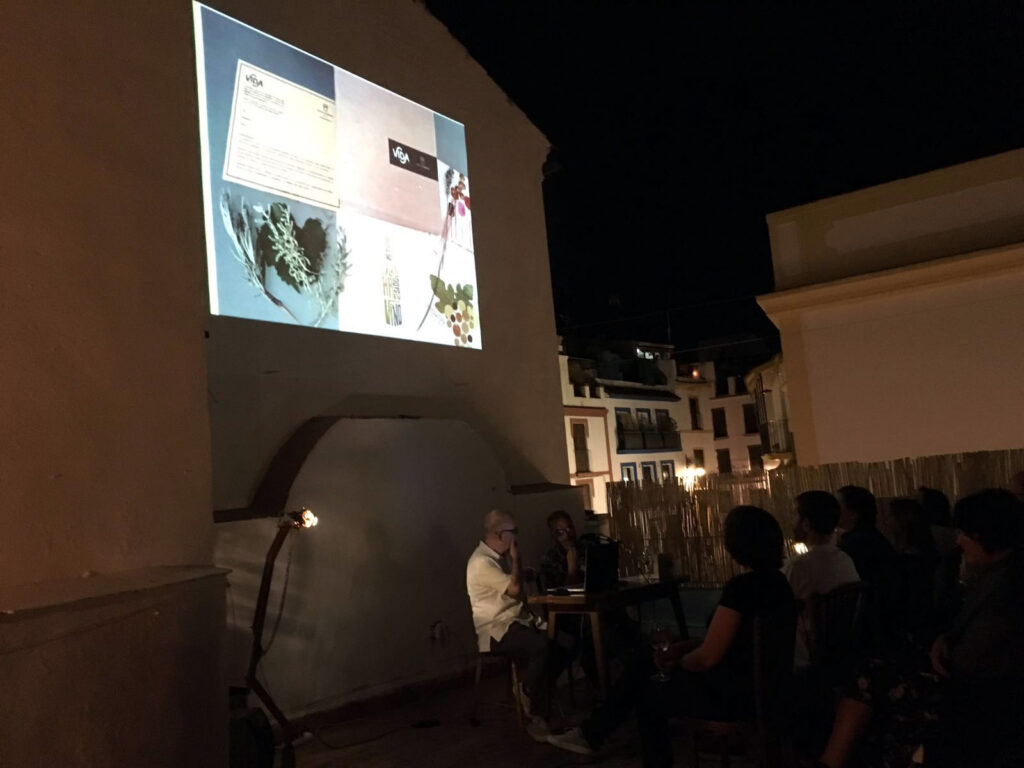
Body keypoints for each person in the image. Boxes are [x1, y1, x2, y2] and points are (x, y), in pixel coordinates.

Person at [548, 506, 797, 766]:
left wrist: (676, 661)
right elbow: (738, 642)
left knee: (648, 691)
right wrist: (682, 648)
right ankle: (591, 732)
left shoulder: (741, 588)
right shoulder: (780, 585)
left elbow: (706, 660)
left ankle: (599, 737)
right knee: (644, 658)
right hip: (765, 688)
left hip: (731, 694)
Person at [809, 489, 1024, 768]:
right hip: (975, 682)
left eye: (965, 534)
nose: (959, 542)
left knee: (868, 681)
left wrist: (942, 648)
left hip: (983, 695)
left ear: (984, 537)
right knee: (870, 676)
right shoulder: (997, 575)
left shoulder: (1007, 591)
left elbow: (973, 656)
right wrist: (944, 639)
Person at [466, 509, 556, 740]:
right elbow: (514, 589)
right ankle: (531, 698)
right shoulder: (481, 562)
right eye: (512, 532)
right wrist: (517, 561)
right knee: (540, 646)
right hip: (497, 631)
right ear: (498, 533)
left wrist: (521, 570)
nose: (516, 536)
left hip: (517, 623)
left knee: (564, 641)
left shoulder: (498, 559)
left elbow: (510, 585)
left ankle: (535, 692)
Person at [782, 490, 861, 667]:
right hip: (840, 650)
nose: (790, 522)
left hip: (804, 656)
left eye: (794, 516)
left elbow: (781, 609)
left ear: (806, 524)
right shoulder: (845, 559)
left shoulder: (799, 566)